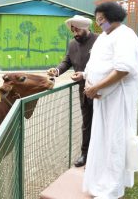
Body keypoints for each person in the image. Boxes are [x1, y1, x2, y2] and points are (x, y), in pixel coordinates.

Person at [82, 2, 138, 198]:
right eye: (97, 20)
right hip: (103, 98)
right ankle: (99, 179)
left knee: (115, 140)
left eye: (101, 19)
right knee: (103, 139)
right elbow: (96, 62)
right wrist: (86, 77)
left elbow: (123, 68)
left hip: (118, 97)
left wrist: (96, 87)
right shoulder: (104, 36)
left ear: (113, 17)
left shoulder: (125, 36)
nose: (99, 23)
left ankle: (112, 187)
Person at [47, 15, 98, 167]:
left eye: (77, 29)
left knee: (102, 123)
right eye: (73, 30)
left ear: (86, 27)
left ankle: (100, 155)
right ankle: (85, 154)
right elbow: (66, 61)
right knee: (86, 123)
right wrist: (56, 71)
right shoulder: (72, 44)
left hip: (101, 90)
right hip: (83, 90)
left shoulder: (99, 40)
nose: (75, 33)